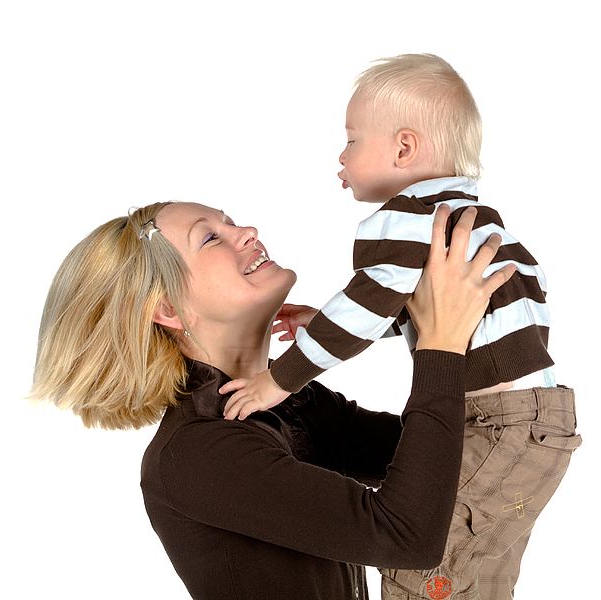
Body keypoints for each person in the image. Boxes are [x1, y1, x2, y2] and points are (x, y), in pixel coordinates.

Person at [224, 53, 582, 599]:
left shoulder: (409, 215)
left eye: (350, 140)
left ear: (404, 148)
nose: (340, 156)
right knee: (476, 581)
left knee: (420, 570)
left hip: (497, 422)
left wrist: (280, 380)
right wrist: (325, 319)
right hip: (540, 423)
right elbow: (415, 307)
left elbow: (371, 304)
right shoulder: (476, 222)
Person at [30, 199, 516, 599]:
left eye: (229, 219)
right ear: (168, 309)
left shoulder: (288, 405)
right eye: (211, 237)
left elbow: (455, 462)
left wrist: (425, 320)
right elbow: (407, 535)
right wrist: (440, 344)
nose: (247, 230)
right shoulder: (198, 452)